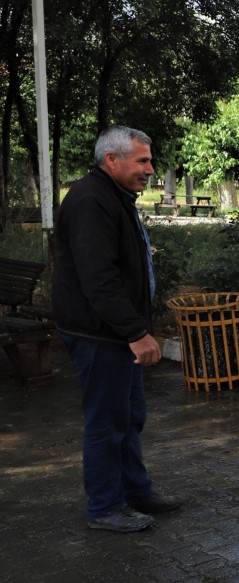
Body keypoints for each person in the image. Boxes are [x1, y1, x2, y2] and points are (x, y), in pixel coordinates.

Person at [53, 126, 183, 533]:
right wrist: (134, 331)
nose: (150, 169)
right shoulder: (92, 200)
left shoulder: (113, 197)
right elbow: (99, 279)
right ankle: (106, 506)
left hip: (114, 333)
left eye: (149, 160)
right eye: (142, 161)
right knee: (107, 421)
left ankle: (135, 492)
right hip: (101, 335)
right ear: (112, 159)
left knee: (129, 416)